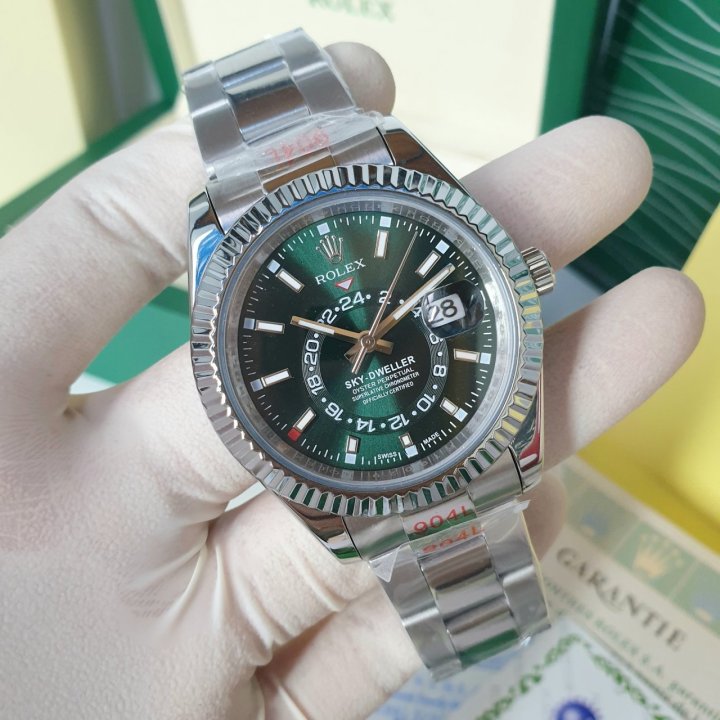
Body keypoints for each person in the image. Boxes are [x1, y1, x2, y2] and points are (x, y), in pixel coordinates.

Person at [0, 43, 703, 719]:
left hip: (464, 432)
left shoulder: (405, 188)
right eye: (355, 342)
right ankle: (484, 627)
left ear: (520, 277)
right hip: (379, 456)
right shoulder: (242, 344)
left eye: (369, 336)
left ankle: (488, 623)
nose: (367, 343)